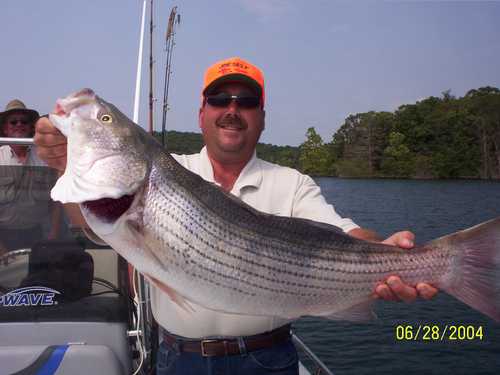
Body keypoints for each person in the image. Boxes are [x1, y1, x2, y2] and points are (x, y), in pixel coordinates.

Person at [34, 57, 438, 375]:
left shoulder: (292, 183)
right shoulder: (172, 168)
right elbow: (87, 222)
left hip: (267, 360)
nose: (231, 109)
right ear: (201, 114)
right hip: (180, 361)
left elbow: (349, 237)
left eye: (246, 102)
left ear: (261, 117)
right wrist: (66, 165)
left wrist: (389, 256)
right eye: (218, 100)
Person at [0, 99, 61, 253]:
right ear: (5, 129)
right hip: (3, 234)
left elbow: (56, 201)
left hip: (37, 234)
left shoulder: (46, 158)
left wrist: (53, 235)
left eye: (24, 122)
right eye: (13, 122)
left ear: (30, 128)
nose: (19, 125)